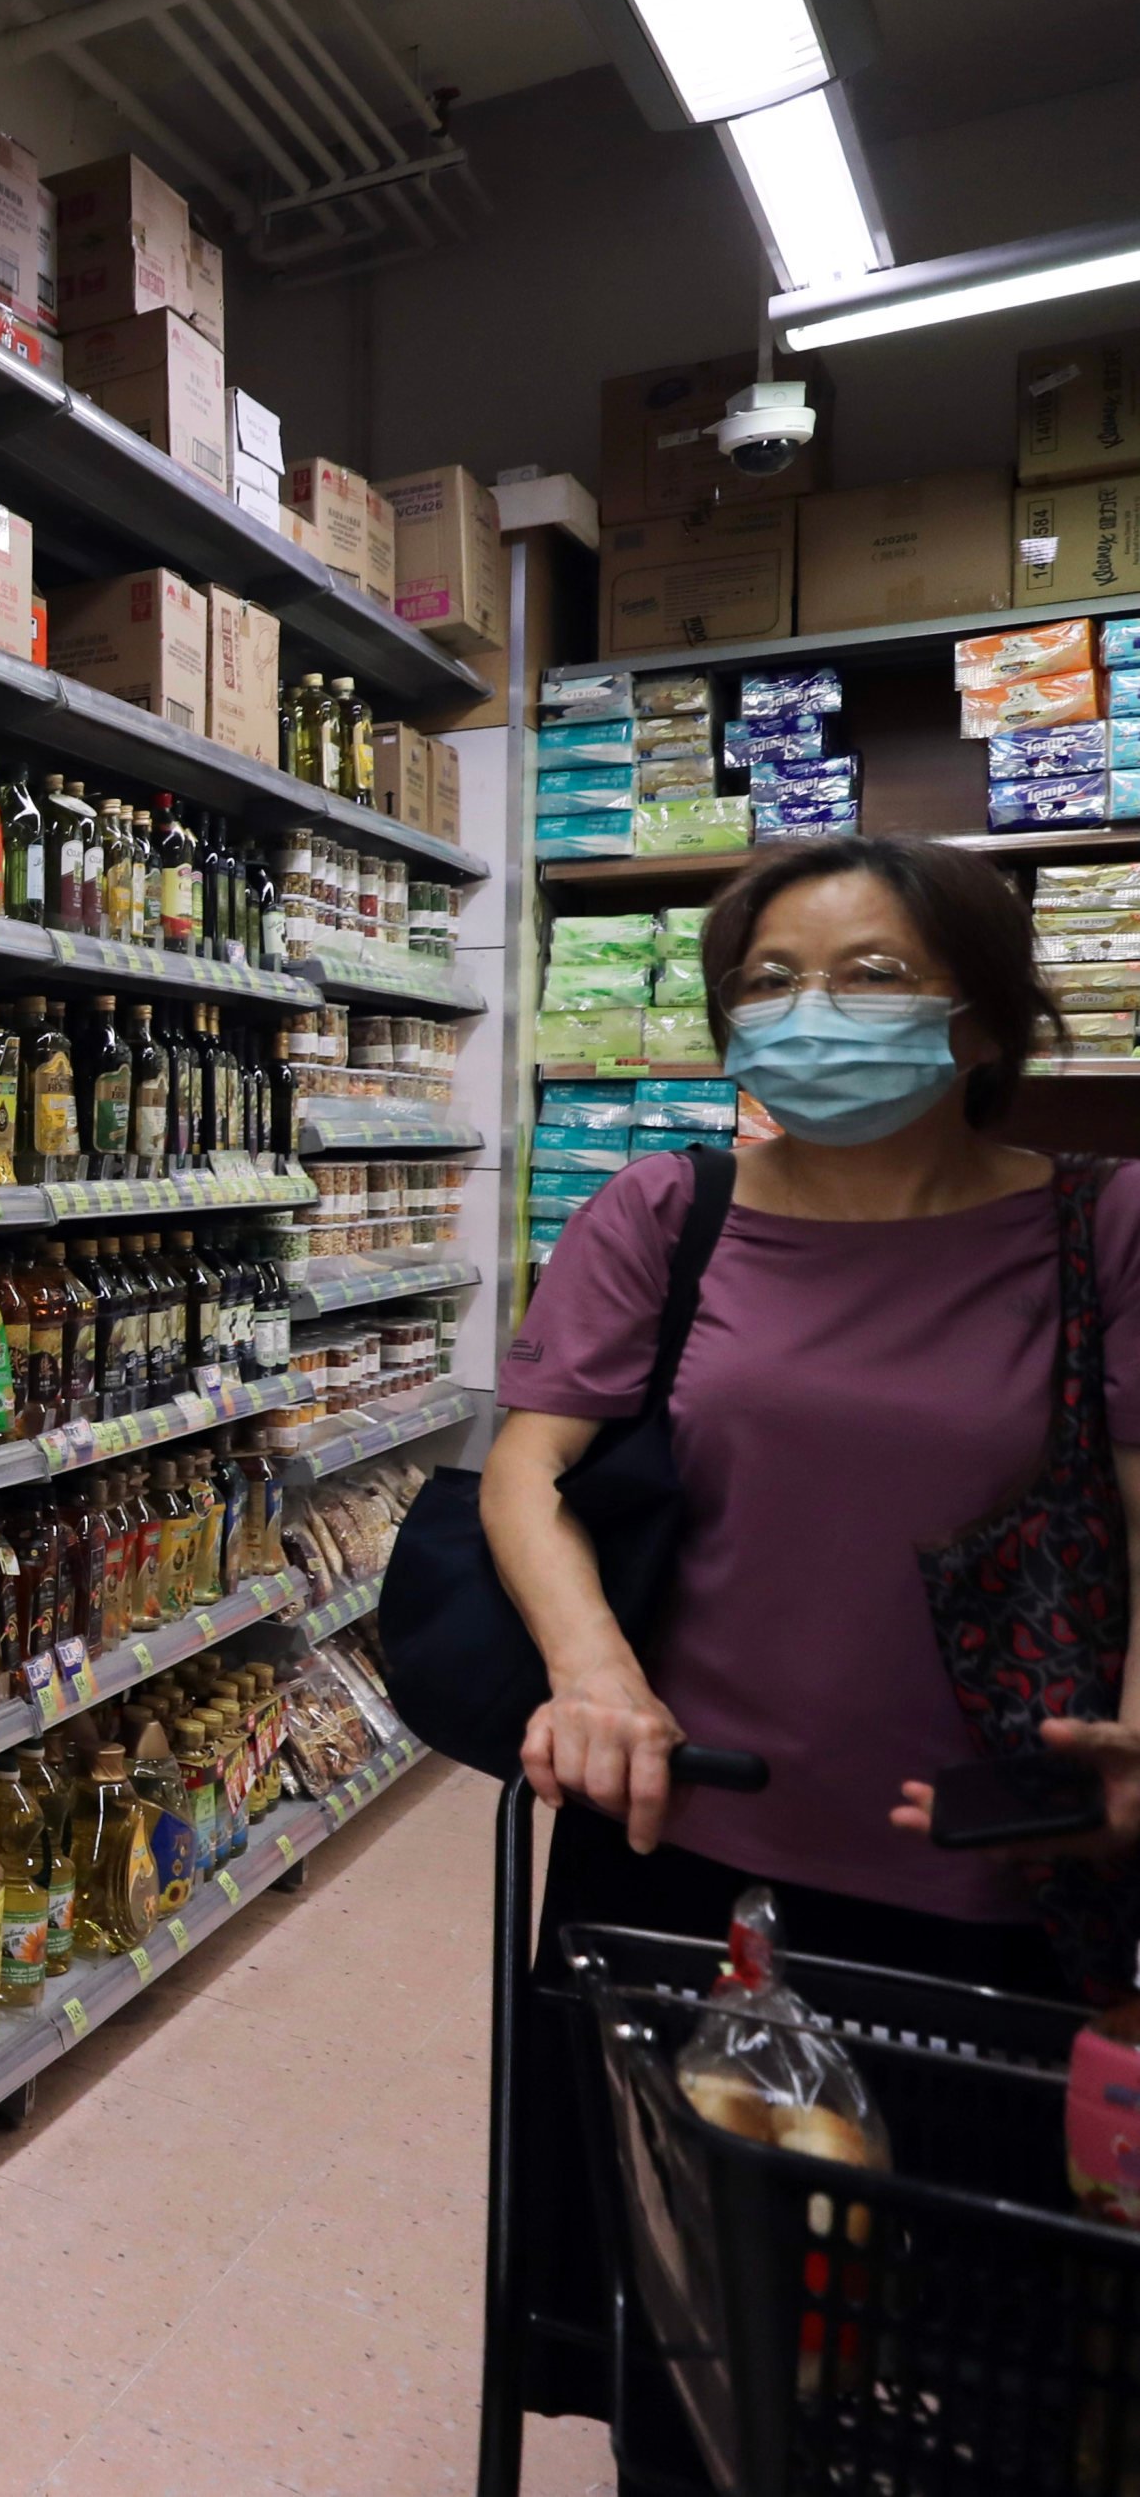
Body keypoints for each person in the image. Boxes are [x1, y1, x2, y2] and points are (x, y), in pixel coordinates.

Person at [483, 835, 1140, 2446]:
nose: (810, 1014)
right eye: (768, 982)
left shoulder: (1100, 1228)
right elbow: (527, 1469)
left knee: (982, 2366)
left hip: (997, 1882)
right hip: (690, 1851)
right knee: (710, 2356)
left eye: (871, 976)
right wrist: (594, 1673)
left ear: (980, 1021)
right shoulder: (669, 1210)